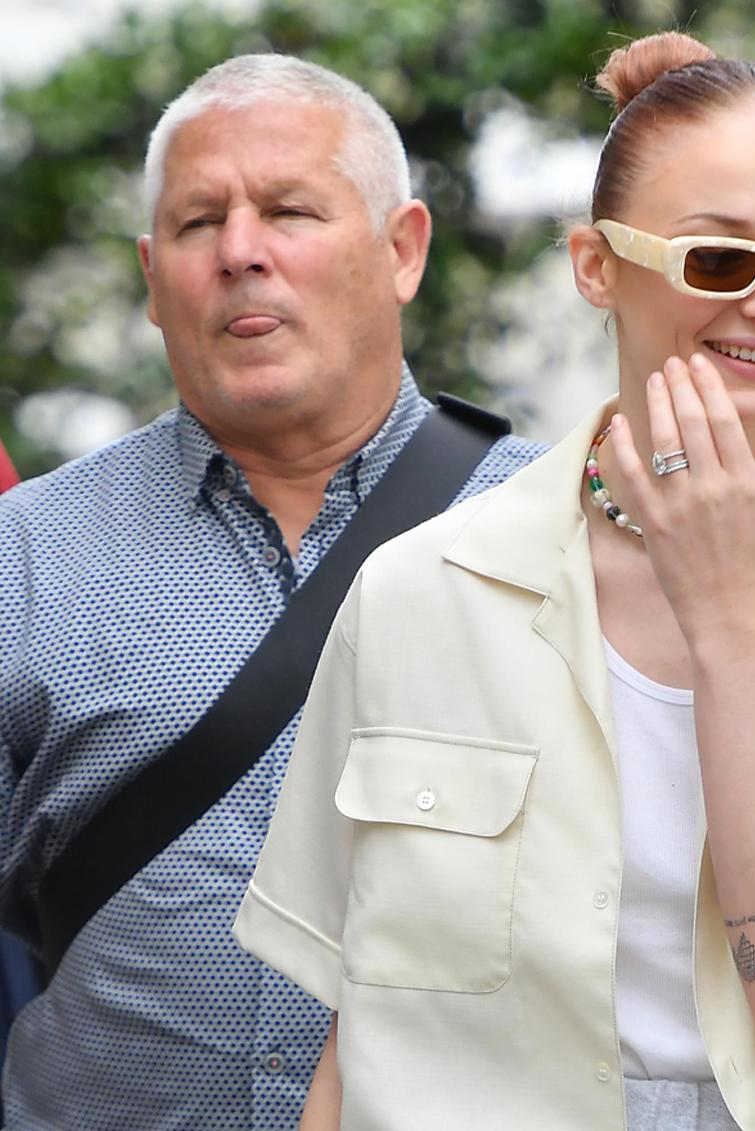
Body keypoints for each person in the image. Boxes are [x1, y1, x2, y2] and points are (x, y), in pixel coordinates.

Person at [234, 33, 755, 1131]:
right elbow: (362, 1025)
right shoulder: (420, 593)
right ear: (596, 266)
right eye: (718, 260)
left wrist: (725, 611)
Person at [0, 54, 543, 1129]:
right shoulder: (25, 557)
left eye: (289, 211)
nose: (241, 252)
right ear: (154, 278)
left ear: (403, 250)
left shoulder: (563, 534)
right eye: (200, 224)